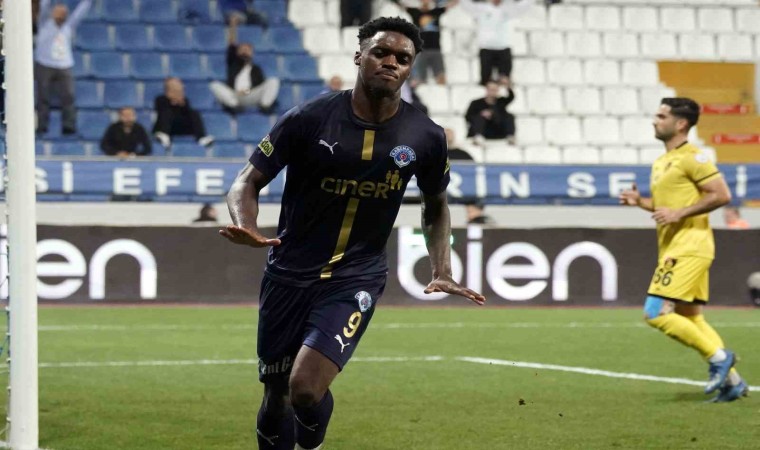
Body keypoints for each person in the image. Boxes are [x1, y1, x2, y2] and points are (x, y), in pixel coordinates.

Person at [220, 17, 485, 449]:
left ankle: (311, 442)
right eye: (381, 52)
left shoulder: (426, 136)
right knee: (276, 395)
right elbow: (246, 181)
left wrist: (442, 269)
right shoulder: (308, 118)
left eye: (403, 58)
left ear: (410, 69)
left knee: (305, 388)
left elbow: (436, 205)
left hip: (355, 277)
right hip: (288, 274)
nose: (391, 62)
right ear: (359, 56)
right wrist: (246, 224)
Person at [619, 97, 748, 403]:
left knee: (655, 313)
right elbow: (667, 207)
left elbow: (721, 195)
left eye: (661, 116)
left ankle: (719, 358)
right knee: (691, 317)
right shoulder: (662, 161)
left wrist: (680, 214)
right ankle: (733, 383)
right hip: (676, 245)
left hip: (690, 245)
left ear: (680, 124)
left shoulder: (694, 158)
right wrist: (640, 203)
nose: (655, 120)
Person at [34, 0, 91, 135]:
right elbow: (44, 6)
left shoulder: (68, 26)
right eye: (59, 12)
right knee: (43, 97)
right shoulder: (44, 23)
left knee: (68, 96)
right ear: (53, 13)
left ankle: (68, 126)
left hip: (65, 65)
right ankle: (42, 125)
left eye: (64, 13)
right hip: (44, 64)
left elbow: (80, 12)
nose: (62, 15)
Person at [209, 18, 280, 114]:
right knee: (214, 85)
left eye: (247, 50)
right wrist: (233, 25)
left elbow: (259, 85)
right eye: (242, 49)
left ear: (251, 53)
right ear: (237, 52)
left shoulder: (256, 69)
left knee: (273, 81)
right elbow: (231, 43)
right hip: (235, 95)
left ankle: (265, 106)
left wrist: (246, 91)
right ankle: (235, 106)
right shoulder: (233, 64)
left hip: (251, 95)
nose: (245, 52)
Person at [458, 0, 534, 86]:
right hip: (486, 48)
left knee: (505, 80)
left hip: (504, 48)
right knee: (486, 80)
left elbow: (524, 6)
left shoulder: (509, 8)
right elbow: (467, 5)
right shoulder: (481, 9)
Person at [389, 0, 458, 85]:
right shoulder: (415, 12)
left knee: (441, 78)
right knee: (420, 80)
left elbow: (451, 4)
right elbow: (402, 5)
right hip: (421, 51)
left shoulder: (436, 11)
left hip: (435, 50)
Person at [445, 128, 493, 224]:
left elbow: (473, 169)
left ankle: (476, 220)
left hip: (462, 187)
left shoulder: (463, 154)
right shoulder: (433, 153)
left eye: (449, 135)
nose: (447, 137)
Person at [153, 77, 215, 149]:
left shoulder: (184, 100)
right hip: (167, 127)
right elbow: (162, 111)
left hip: (179, 126)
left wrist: (181, 103)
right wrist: (172, 101)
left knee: (194, 113)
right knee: (166, 113)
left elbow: (186, 113)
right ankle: (164, 135)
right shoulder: (160, 99)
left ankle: (201, 137)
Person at [465, 80, 515, 145]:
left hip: (497, 130)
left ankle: (510, 137)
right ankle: (478, 137)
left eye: (495, 90)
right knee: (479, 117)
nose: (493, 92)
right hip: (482, 130)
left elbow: (511, 97)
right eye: (491, 89)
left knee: (509, 116)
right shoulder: (476, 103)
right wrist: (482, 114)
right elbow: (468, 117)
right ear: (487, 90)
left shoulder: (500, 102)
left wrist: (508, 87)